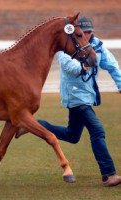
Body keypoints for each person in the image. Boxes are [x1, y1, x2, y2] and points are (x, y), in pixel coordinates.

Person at [15, 16, 121, 187]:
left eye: (89, 32)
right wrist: (83, 66)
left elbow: (112, 65)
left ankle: (32, 124)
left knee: (72, 135)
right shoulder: (65, 46)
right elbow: (69, 67)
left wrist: (120, 84)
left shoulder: (97, 45)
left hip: (88, 96)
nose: (86, 35)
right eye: (84, 32)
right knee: (97, 131)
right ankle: (109, 174)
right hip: (75, 97)